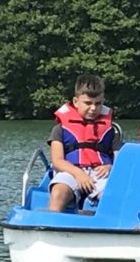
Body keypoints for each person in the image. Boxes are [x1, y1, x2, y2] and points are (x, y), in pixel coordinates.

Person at [48, 74, 122, 212]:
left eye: (98, 103)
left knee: (112, 196)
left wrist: (109, 167)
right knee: (58, 192)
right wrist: (78, 173)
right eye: (88, 103)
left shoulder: (111, 130)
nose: (93, 108)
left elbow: (119, 159)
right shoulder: (60, 128)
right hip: (70, 171)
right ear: (76, 101)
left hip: (100, 173)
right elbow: (57, 161)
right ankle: (50, 221)